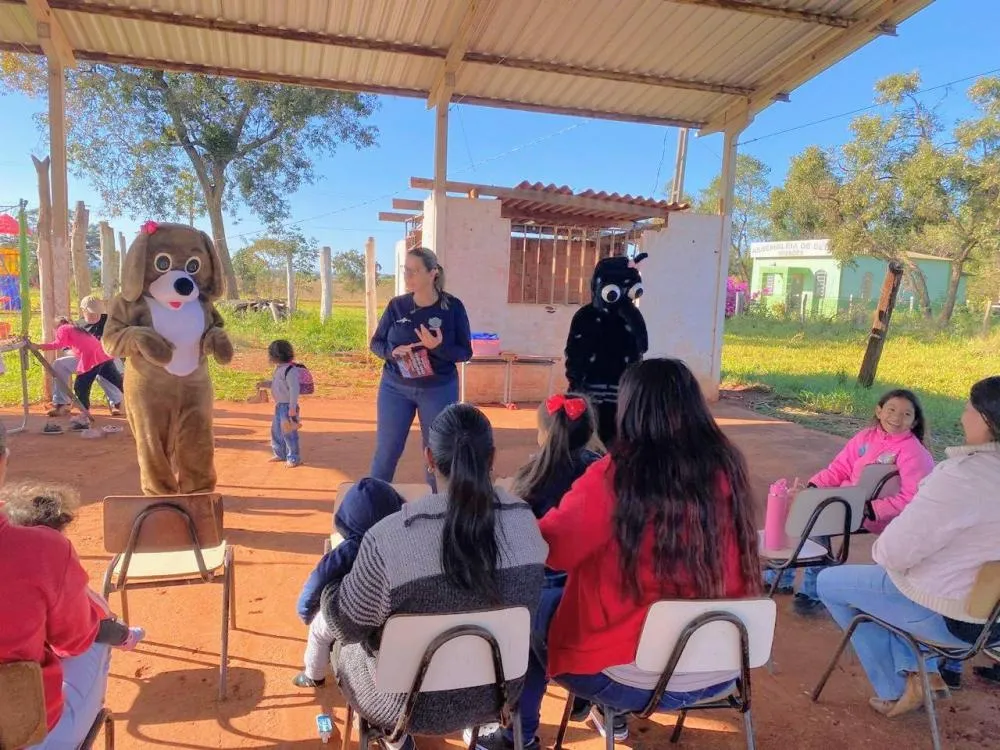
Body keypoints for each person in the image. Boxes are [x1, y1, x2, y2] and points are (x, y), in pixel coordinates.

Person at [475, 359, 761, 750]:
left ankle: (517, 737)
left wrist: (509, 504)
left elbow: (551, 551)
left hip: (630, 675)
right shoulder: (729, 469)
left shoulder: (615, 477)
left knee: (529, 612)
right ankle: (608, 717)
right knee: (611, 603)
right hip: (722, 664)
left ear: (630, 410)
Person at [320, 403, 547, 750]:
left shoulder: (389, 538)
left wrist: (332, 580)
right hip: (495, 694)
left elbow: (345, 625)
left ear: (429, 457)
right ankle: (475, 730)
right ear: (492, 458)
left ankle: (395, 742)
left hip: (400, 707)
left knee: (341, 642)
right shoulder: (525, 525)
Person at [816, 376, 1000, 718]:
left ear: (986, 419)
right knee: (881, 590)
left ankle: (894, 688)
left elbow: (890, 553)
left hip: (947, 615)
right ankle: (921, 670)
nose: (962, 416)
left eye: (967, 408)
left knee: (833, 584)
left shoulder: (959, 475)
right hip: (991, 623)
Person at [766, 389, 935, 617]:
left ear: (914, 421)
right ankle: (781, 576)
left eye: (906, 414)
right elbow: (839, 468)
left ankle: (814, 590)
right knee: (795, 504)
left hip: (881, 516)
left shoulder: (914, 452)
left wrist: (871, 509)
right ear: (879, 410)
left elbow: (913, 499)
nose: (896, 418)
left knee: (816, 519)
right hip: (847, 502)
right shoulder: (866, 437)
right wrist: (812, 488)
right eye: (891, 410)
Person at [0, 463, 112, 748]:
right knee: (97, 635)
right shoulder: (41, 548)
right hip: (27, 735)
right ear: (3, 462)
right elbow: (74, 642)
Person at [369, 247, 472, 490]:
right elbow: (376, 343)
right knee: (387, 450)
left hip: (439, 390)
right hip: (395, 388)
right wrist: (391, 353)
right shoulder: (397, 306)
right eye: (406, 270)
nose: (407, 276)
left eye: (414, 271)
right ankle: (370, 505)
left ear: (432, 273)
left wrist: (438, 347)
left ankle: (439, 507)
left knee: (437, 451)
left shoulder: (453, 308)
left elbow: (465, 352)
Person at [0, 481, 146, 652]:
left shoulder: (12, 557)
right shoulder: (53, 559)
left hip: (25, 643)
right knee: (105, 628)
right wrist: (106, 615)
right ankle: (125, 637)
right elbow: (88, 611)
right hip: (53, 645)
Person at [292, 478, 404, 688]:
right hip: (398, 612)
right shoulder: (403, 541)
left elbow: (319, 579)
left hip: (356, 613)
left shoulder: (348, 550)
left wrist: (306, 609)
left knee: (318, 631)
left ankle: (313, 675)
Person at [34, 317, 125, 423]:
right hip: (103, 356)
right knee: (118, 382)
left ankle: (84, 414)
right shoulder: (76, 328)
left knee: (81, 386)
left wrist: (39, 346)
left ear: (56, 327)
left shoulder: (63, 329)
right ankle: (138, 401)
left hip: (91, 358)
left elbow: (58, 344)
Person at [47, 296, 124, 417]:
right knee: (59, 364)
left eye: (98, 312)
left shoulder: (110, 322)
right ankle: (61, 403)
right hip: (83, 357)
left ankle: (117, 402)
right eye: (92, 312)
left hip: (109, 356)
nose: (96, 315)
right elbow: (66, 347)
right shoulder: (78, 325)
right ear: (83, 310)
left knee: (103, 364)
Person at [259, 339, 302, 467]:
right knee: (276, 431)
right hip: (279, 406)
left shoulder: (290, 370)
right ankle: (280, 453)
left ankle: (293, 457)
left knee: (289, 433)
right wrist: (265, 384)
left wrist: (292, 408)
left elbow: (294, 389)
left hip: (287, 406)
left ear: (276, 356)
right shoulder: (279, 369)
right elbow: (278, 385)